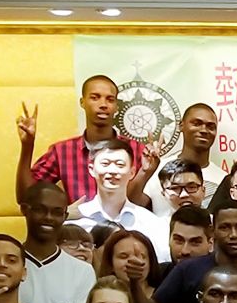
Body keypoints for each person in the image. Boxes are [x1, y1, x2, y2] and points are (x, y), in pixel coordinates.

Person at [17, 76, 148, 206]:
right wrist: (27, 146)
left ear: (116, 107)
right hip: (78, 220)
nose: (103, 105)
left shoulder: (137, 150)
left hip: (125, 219)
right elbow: (26, 198)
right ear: (82, 102)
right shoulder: (62, 151)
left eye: (110, 99)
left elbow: (150, 202)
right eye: (95, 98)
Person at [69, 140, 166, 258]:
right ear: (91, 169)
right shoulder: (73, 221)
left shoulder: (152, 223)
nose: (112, 171)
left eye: (120, 165)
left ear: (132, 172)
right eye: (105, 164)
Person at [16, 182, 97, 303]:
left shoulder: (83, 271)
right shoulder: (8, 265)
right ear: (24, 209)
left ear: (65, 216)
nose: (48, 217)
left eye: (57, 212)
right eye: (40, 210)